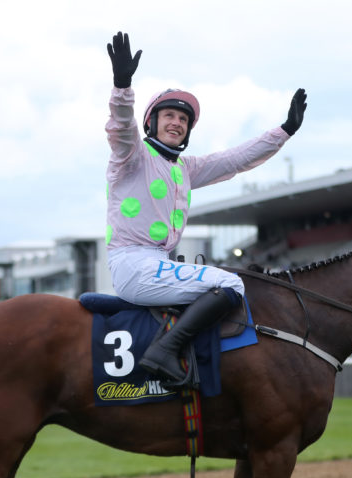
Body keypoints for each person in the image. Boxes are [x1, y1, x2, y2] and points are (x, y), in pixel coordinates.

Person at [104, 31, 307, 384]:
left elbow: (234, 160)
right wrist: (123, 86)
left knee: (232, 279)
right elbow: (121, 128)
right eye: (169, 116)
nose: (176, 123)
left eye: (183, 121)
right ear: (151, 122)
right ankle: (165, 351)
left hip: (157, 263)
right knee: (232, 284)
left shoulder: (184, 168)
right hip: (133, 265)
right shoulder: (133, 156)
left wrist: (284, 130)